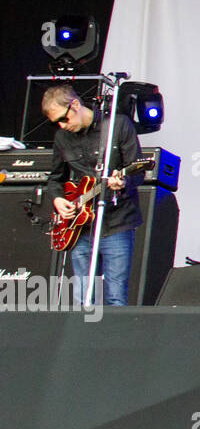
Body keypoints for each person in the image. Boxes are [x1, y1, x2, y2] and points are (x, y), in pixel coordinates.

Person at [42, 84, 143, 306]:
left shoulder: (117, 126)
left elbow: (138, 171)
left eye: (63, 118)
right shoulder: (62, 137)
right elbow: (55, 178)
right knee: (84, 298)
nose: (61, 125)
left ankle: (114, 340)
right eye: (55, 123)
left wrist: (123, 182)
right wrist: (58, 199)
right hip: (80, 227)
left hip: (116, 221)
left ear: (75, 105)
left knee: (116, 295)